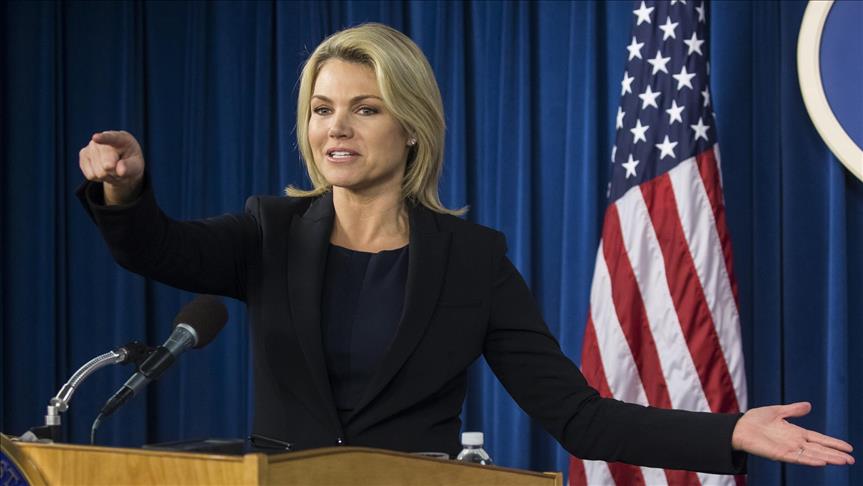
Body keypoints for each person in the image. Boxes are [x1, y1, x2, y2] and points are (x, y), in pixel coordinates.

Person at [77, 23, 854, 472]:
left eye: (364, 108)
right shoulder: (267, 231)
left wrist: (728, 431)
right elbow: (157, 250)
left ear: (411, 125)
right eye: (321, 109)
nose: (335, 127)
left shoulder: (472, 261)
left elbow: (576, 416)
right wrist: (125, 189)